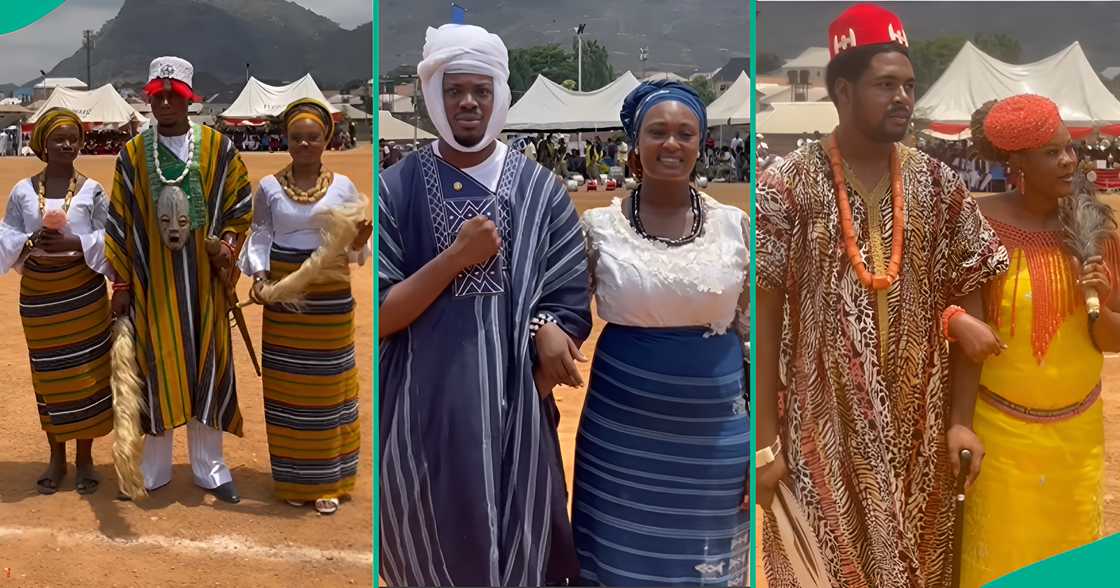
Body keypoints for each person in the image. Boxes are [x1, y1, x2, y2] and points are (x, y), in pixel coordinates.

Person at [755, 6, 1009, 587]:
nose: (903, 97)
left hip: (921, 436)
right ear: (843, 90)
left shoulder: (938, 185)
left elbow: (969, 287)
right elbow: (764, 318)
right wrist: (765, 444)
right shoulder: (787, 184)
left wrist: (962, 421)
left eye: (909, 86)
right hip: (820, 435)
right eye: (886, 85)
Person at [378, 24, 593, 586]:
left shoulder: (541, 190)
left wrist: (547, 325)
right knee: (425, 553)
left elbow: (568, 298)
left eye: (480, 89)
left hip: (518, 417)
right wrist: (454, 259)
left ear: (500, 93)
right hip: (421, 420)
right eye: (454, 91)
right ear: (433, 96)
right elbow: (383, 314)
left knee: (527, 548)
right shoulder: (395, 189)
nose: (468, 103)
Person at [573, 80, 749, 586]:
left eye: (684, 133)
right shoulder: (599, 228)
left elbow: (753, 334)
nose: (671, 144)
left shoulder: (734, 226)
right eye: (657, 132)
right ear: (635, 141)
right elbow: (565, 313)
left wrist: (760, 440)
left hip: (715, 434)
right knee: (622, 555)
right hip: (622, 434)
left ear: (700, 143)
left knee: (704, 560)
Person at [960, 94, 1116, 587]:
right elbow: (959, 337)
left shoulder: (1097, 233)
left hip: (1077, 442)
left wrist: (1102, 300)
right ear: (1017, 162)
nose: (1070, 161)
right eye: (1052, 152)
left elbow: (1109, 342)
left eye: (1070, 149)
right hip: (1000, 440)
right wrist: (959, 425)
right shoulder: (978, 226)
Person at [106, 56, 252, 504]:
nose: (165, 102)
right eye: (158, 95)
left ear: (190, 100)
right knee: (155, 370)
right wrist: (125, 285)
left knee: (207, 366)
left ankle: (210, 468)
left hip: (205, 288)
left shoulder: (218, 148)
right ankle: (153, 470)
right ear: (150, 98)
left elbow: (238, 203)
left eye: (175, 96)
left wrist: (227, 245)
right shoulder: (132, 154)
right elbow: (121, 221)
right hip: (154, 289)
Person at [239, 98, 372, 515]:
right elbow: (259, 234)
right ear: (286, 140)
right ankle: (293, 479)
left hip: (330, 300)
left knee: (328, 387)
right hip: (285, 300)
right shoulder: (269, 188)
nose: (304, 144)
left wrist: (358, 240)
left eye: (312, 137)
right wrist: (260, 277)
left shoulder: (344, 187)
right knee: (288, 390)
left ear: (326, 140)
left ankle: (329, 480)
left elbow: (355, 249)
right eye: (297, 137)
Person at [0, 108, 114, 495]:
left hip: (83, 294)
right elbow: (7, 236)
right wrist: (29, 242)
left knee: (87, 374)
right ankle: (56, 456)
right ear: (42, 144)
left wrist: (75, 244)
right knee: (48, 375)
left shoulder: (93, 190)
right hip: (40, 297)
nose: (67, 145)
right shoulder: (22, 192)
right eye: (58, 138)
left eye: (73, 138)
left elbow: (109, 239)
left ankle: (84, 458)